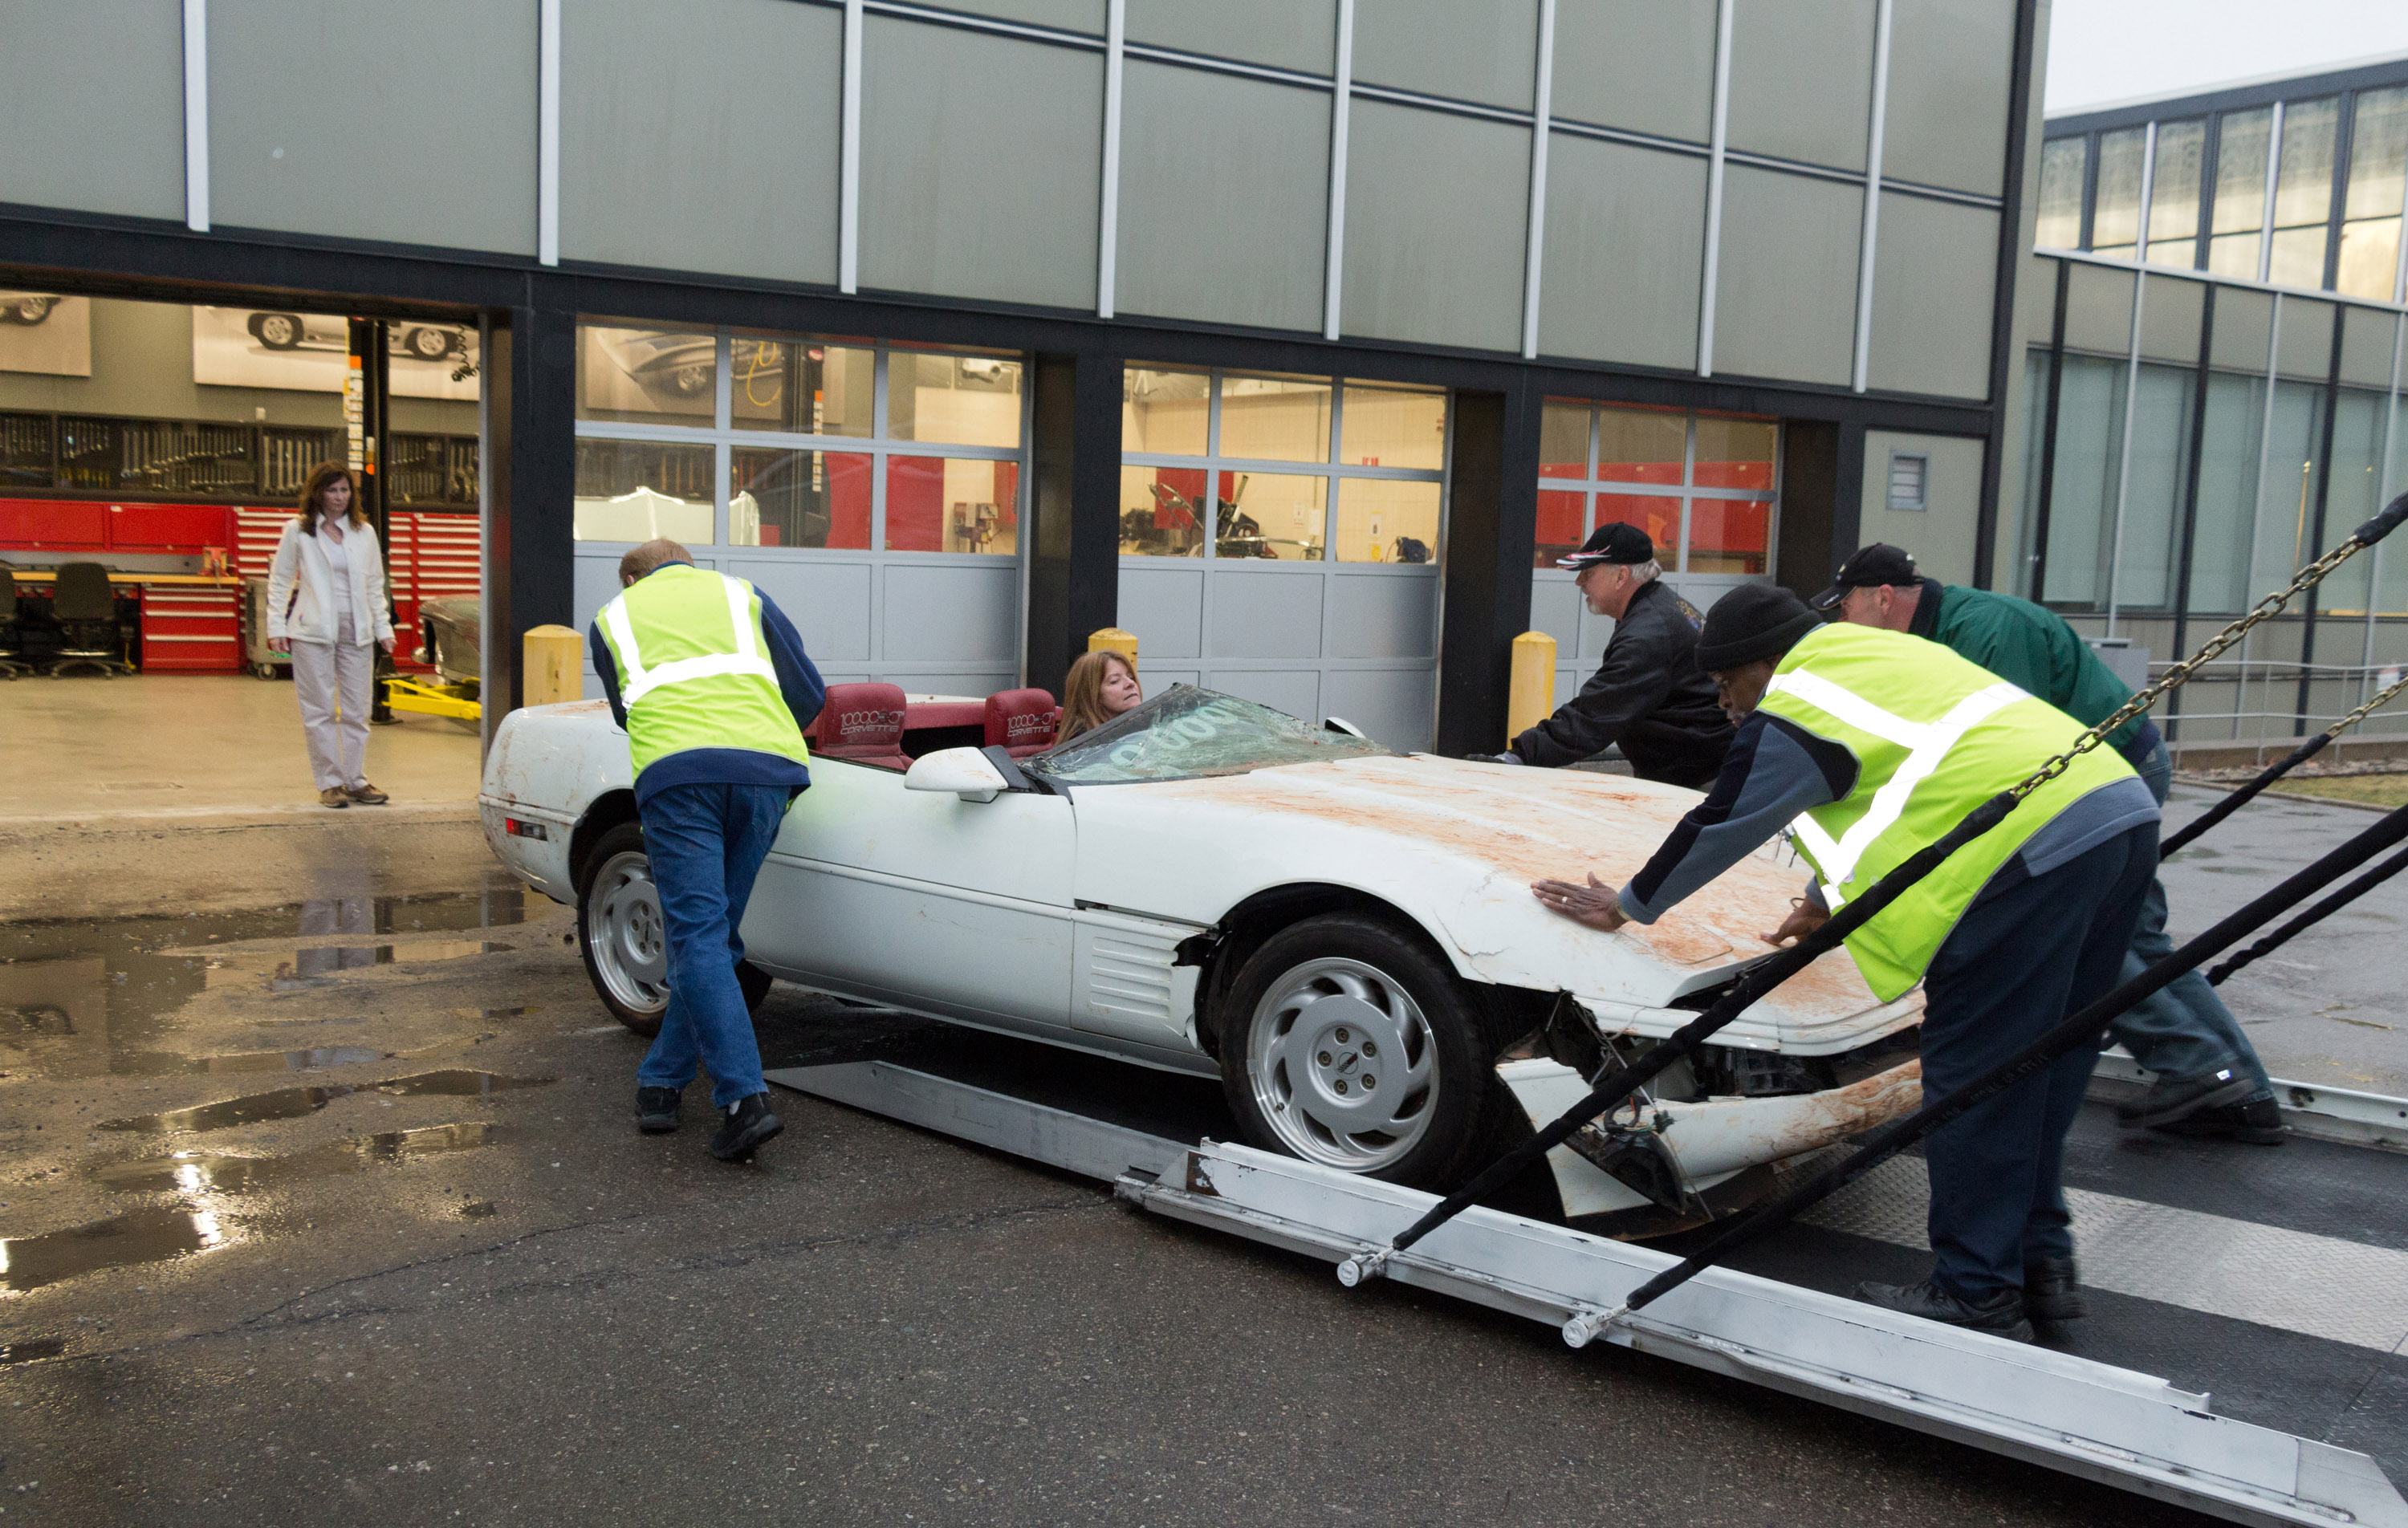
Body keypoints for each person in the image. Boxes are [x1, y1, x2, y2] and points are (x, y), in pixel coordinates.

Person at [1531, 585, 2158, 1341]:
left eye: (1726, 685)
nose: (1727, 705)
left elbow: (1723, 820)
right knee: (2047, 1064)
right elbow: (1911, 785)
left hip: (2022, 856)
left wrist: (1629, 904)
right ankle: (2039, 1267)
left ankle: (1973, 1290)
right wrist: (1824, 896)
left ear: (1760, 665)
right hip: (2114, 815)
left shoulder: (1798, 701)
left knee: (1975, 1075)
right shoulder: (1874, 655)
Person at [1815, 543, 2279, 1144]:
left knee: (2082, 930)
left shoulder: (1985, 630)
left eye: (1845, 606)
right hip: (2109, 771)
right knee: (2137, 936)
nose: (1841, 621)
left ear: (1882, 598)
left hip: (2105, 778)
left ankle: (2199, 1068)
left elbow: (2009, 753)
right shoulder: (1946, 630)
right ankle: (2237, 1084)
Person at [589, 538, 826, 1161]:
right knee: (712, 939)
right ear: (689, 566)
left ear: (633, 577)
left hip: (681, 779)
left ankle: (743, 1099)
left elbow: (626, 713)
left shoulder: (614, 618)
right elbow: (808, 693)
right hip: (768, 775)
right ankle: (661, 1084)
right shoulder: (742, 594)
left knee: (698, 939)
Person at [1479, 522, 1733, 786]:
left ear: (1621, 577)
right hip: (1696, 767)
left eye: (1588, 574)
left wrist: (1517, 758)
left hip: (1702, 779)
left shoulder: (1649, 634)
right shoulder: (1657, 607)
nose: (1579, 582)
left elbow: (1593, 717)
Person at [265, 463, 396, 810]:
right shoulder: (298, 532)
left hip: (358, 630)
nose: (339, 497)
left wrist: (383, 627)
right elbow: (280, 581)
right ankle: (329, 783)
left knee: (357, 711)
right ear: (317, 493)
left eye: (345, 490)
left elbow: (373, 584)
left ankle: (355, 780)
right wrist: (276, 626)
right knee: (319, 710)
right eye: (332, 490)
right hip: (312, 631)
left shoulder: (363, 532)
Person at [1058, 648, 1142, 741]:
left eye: (1131, 677)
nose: (1130, 683)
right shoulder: (1083, 746)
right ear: (1091, 695)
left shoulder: (1148, 727)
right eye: (1114, 681)